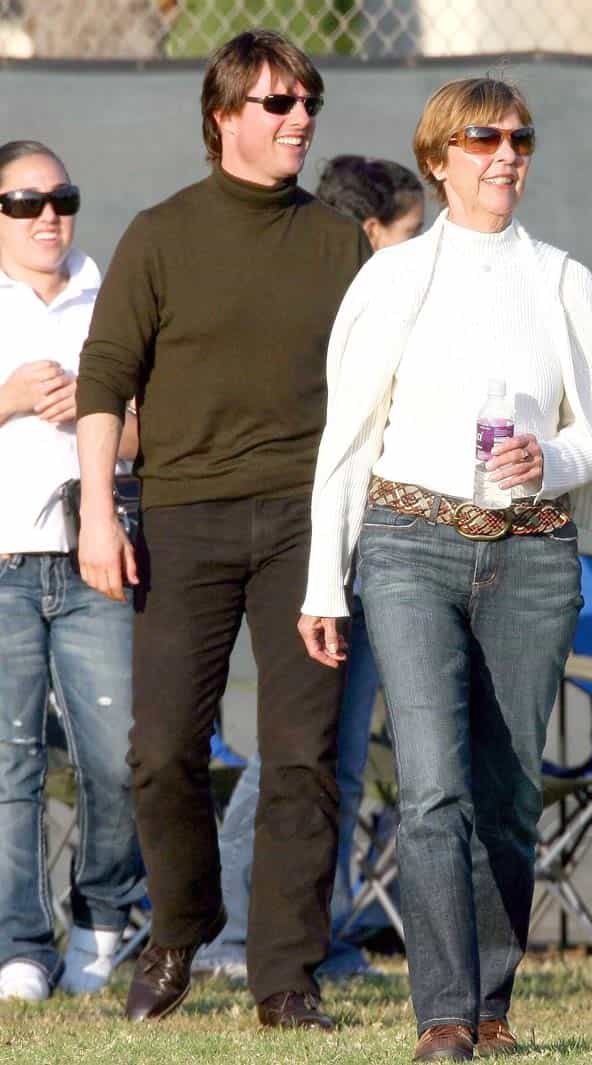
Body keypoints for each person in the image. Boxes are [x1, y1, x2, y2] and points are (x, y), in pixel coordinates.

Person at [299, 77, 592, 1062]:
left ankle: (491, 1002)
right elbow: (347, 442)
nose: (505, 157)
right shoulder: (393, 278)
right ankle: (442, 1015)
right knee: (433, 787)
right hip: (408, 548)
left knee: (508, 791)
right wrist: (326, 580)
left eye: (520, 140)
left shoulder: (565, 280)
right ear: (439, 159)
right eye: (483, 140)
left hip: (533, 555)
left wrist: (553, 461)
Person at [75, 30, 371, 1030]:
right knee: (160, 752)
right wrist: (93, 515)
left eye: (307, 103)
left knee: (300, 754)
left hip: (304, 521)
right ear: (223, 117)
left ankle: (285, 976)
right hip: (180, 519)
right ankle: (180, 926)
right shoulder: (161, 234)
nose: (299, 120)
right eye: (278, 104)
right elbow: (105, 379)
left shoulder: (338, 240)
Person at [194, 154, 425, 985]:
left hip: (377, 557)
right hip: (317, 558)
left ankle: (309, 933)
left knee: (339, 761)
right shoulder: (325, 315)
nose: (422, 249)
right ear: (369, 237)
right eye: (410, 235)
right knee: (293, 755)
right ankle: (228, 937)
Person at [0, 139, 142, 1001]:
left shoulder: (111, 294)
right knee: (9, 763)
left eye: (63, 198)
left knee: (123, 757)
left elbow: (148, 431)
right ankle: (18, 940)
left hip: (97, 557)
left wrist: (99, 405)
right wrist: (12, 397)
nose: (48, 216)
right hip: (6, 558)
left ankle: (100, 921)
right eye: (24, 202)